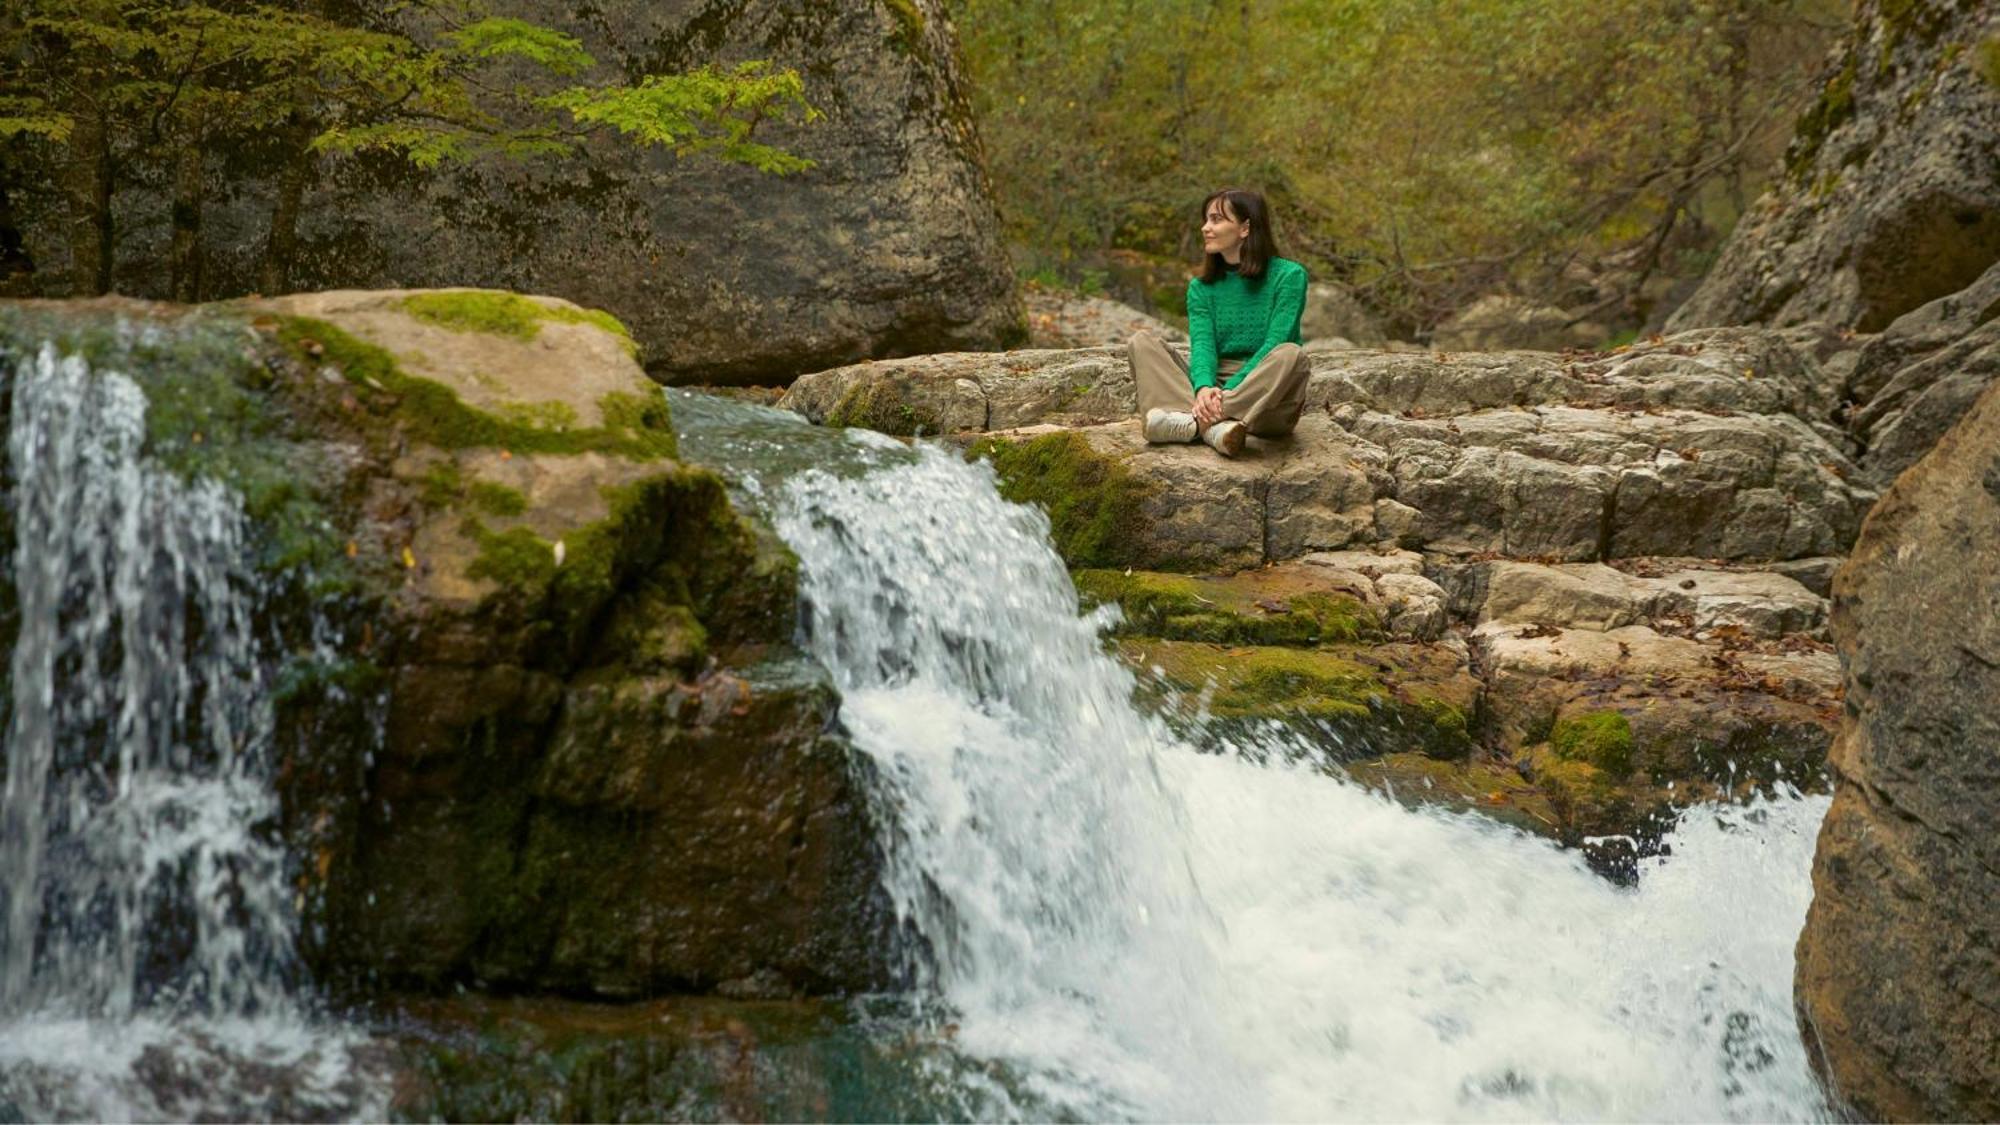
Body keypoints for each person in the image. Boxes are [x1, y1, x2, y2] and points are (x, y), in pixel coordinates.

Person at [1130, 187, 1311, 457]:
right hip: (1215, 386)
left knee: (1291, 354)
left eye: (1216, 219)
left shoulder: (1288, 276)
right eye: (1206, 219)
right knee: (1141, 342)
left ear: (1245, 228)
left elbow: (1276, 342)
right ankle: (1214, 428)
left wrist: (1225, 395)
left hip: (1266, 395)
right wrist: (1203, 387)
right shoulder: (1201, 287)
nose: (1205, 228)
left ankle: (1194, 421)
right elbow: (1203, 346)